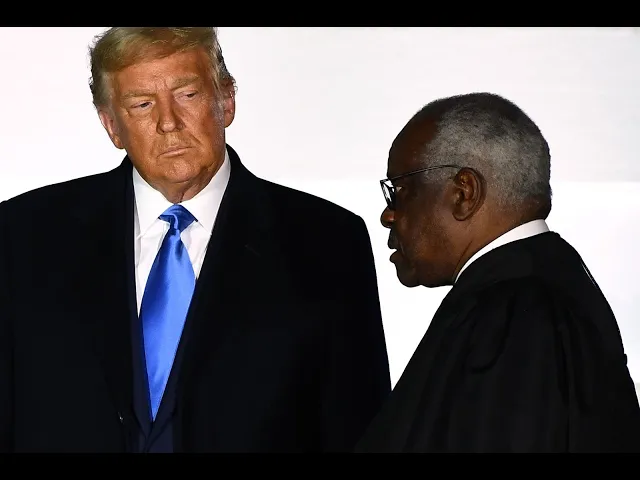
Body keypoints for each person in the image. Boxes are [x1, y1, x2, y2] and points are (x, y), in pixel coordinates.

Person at [0, 27, 391, 453]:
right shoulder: (22, 236)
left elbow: (359, 432)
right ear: (112, 125)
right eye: (142, 104)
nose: (168, 122)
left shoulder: (328, 243)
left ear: (227, 100)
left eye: (187, 94)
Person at [354, 92, 640, 453]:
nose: (388, 215)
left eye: (400, 190)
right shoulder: (546, 287)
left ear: (464, 193)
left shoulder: (515, 311)